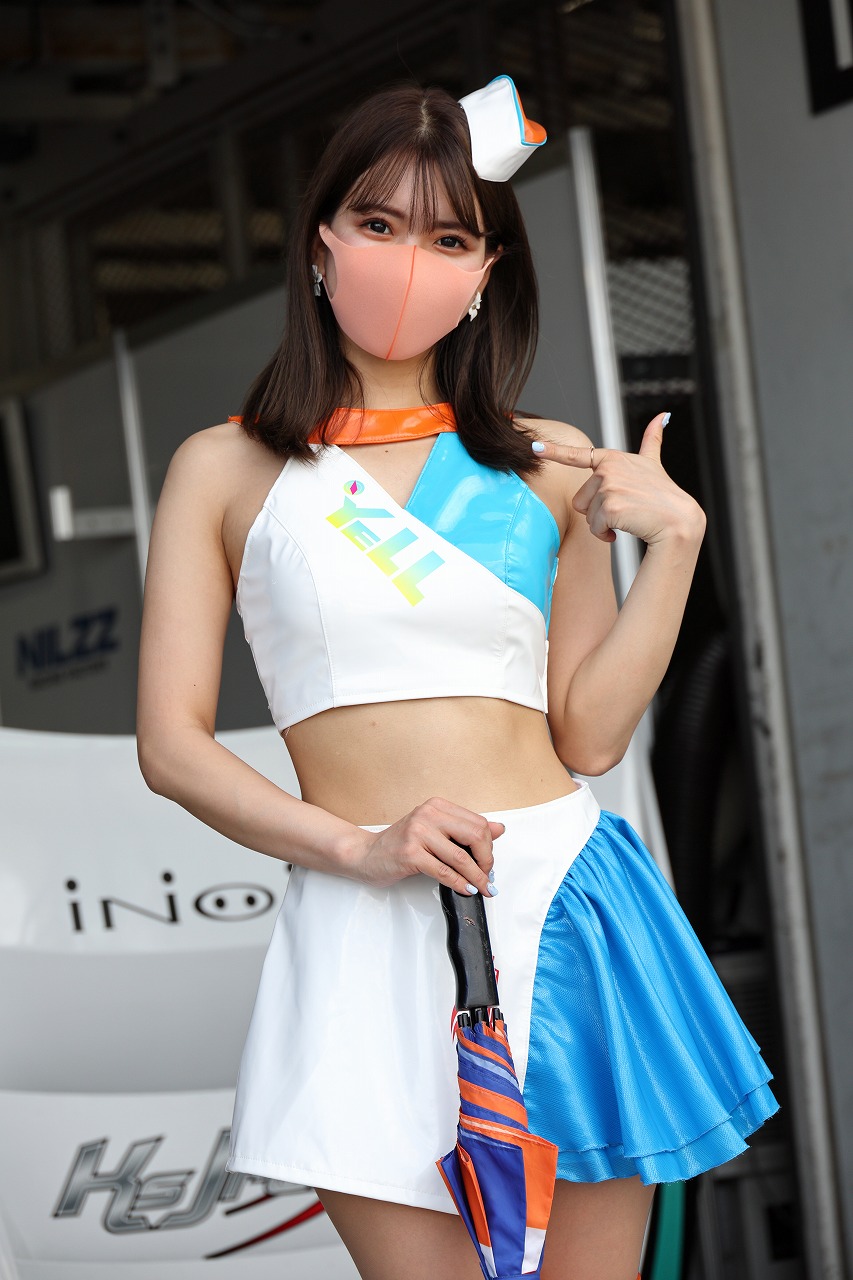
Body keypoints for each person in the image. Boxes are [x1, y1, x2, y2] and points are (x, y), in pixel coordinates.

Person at [136, 76, 779, 1280]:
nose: (408, 261)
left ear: (485, 269)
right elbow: (171, 744)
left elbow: (589, 734)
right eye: (377, 223)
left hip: (565, 906)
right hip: (360, 913)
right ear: (319, 239)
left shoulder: (546, 464)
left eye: (446, 237)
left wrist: (678, 545)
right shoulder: (224, 467)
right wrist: (357, 846)